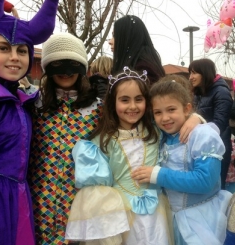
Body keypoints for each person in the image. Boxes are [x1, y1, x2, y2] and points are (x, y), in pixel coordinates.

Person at [65, 67, 203, 245]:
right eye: (124, 100)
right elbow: (97, 191)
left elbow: (179, 121)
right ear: (113, 103)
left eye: (139, 99)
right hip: (121, 217)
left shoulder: (156, 132)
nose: (132, 106)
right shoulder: (102, 142)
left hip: (157, 215)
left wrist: (196, 118)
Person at [0, 0, 58, 244]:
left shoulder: (23, 100)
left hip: (19, 199)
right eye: (3, 48)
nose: (14, 57)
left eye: (22, 51)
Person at [132, 80, 232, 245]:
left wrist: (158, 174)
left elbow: (205, 180)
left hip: (202, 219)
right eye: (158, 112)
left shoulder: (202, 135)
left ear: (186, 108)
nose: (165, 118)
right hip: (172, 219)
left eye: (171, 109)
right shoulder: (162, 136)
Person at [27, 32, 103, 245]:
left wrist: (195, 120)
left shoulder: (98, 109)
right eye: (58, 64)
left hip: (80, 203)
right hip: (40, 201)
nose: (66, 71)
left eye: (72, 63)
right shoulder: (34, 106)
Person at [189, 58, 233, 190]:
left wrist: (198, 120)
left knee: (216, 186)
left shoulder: (221, 92)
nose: (190, 77)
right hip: (199, 145)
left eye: (194, 73)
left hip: (216, 147)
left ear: (205, 72)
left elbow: (220, 122)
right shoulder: (200, 93)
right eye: (189, 73)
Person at [108, 15, 165, 85]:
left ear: (128, 38)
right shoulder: (142, 64)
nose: (110, 42)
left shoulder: (142, 70)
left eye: (115, 36)